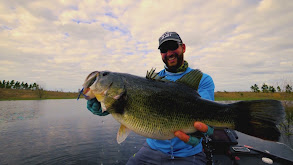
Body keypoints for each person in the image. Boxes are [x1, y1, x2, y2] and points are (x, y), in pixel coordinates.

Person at [87, 32, 215, 165]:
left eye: (172, 46)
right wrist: (107, 107)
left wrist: (201, 131)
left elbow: (206, 111)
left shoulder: (202, 80)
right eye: (164, 50)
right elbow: (135, 104)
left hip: (189, 153)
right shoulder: (153, 80)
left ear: (183, 47)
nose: (169, 53)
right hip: (153, 149)